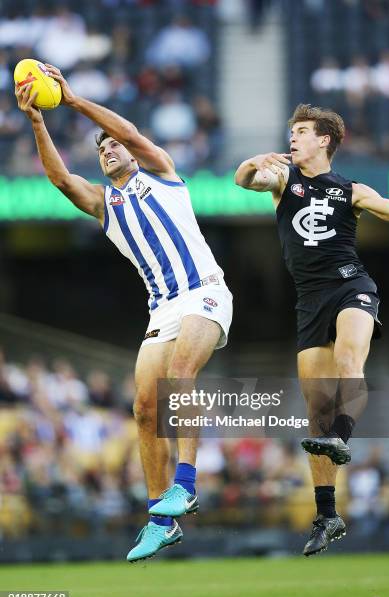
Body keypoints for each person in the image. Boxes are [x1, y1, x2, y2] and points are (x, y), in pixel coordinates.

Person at [15, 65, 233, 562]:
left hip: (205, 291)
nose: (109, 149)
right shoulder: (104, 203)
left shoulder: (161, 172)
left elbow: (131, 132)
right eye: (101, 148)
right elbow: (59, 179)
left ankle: (187, 485)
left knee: (179, 375)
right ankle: (161, 519)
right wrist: (37, 122)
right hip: (161, 307)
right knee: (142, 409)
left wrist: (71, 101)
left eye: (112, 143)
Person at [235, 103, 389, 556]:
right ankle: (327, 515)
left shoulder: (351, 189)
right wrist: (252, 163)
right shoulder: (282, 178)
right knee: (315, 409)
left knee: (351, 361)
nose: (293, 138)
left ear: (324, 140)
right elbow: (243, 180)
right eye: (291, 131)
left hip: (351, 286)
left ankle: (342, 437)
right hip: (309, 301)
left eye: (302, 131)